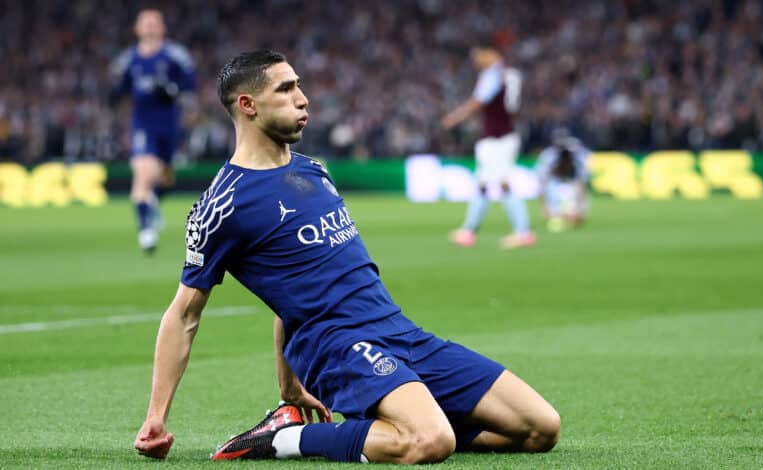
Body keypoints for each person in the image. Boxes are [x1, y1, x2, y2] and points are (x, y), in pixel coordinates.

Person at [133, 50, 560, 464]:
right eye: (286, 90)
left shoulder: (313, 170)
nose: (303, 98)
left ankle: (390, 423)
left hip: (399, 331)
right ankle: (286, 438)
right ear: (248, 105)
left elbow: (291, 290)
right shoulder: (222, 206)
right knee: (430, 441)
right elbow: (184, 314)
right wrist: (156, 417)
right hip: (340, 347)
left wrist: (290, 391)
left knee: (540, 427)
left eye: (299, 85)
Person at [110, 9, 197, 253]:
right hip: (142, 125)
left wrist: (171, 90)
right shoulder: (128, 60)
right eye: (145, 24)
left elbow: (190, 86)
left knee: (166, 180)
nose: (149, 28)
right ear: (137, 29)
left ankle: (153, 204)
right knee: (143, 176)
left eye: (153, 24)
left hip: (169, 125)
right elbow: (119, 89)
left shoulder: (175, 56)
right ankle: (146, 230)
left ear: (162, 28)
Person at [442, 40, 535, 249]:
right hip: (501, 136)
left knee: (502, 183)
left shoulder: (493, 75)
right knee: (483, 184)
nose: (475, 60)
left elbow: (479, 101)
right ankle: (469, 230)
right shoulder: (509, 74)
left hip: (496, 139)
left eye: (478, 54)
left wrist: (455, 117)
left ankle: (523, 232)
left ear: (490, 53)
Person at [536, 134, 590, 232]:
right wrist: (545, 207)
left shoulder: (580, 158)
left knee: (576, 217)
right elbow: (542, 184)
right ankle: (558, 214)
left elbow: (581, 185)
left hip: (571, 184)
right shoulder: (548, 157)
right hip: (554, 184)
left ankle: (566, 213)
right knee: (553, 211)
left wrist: (579, 209)